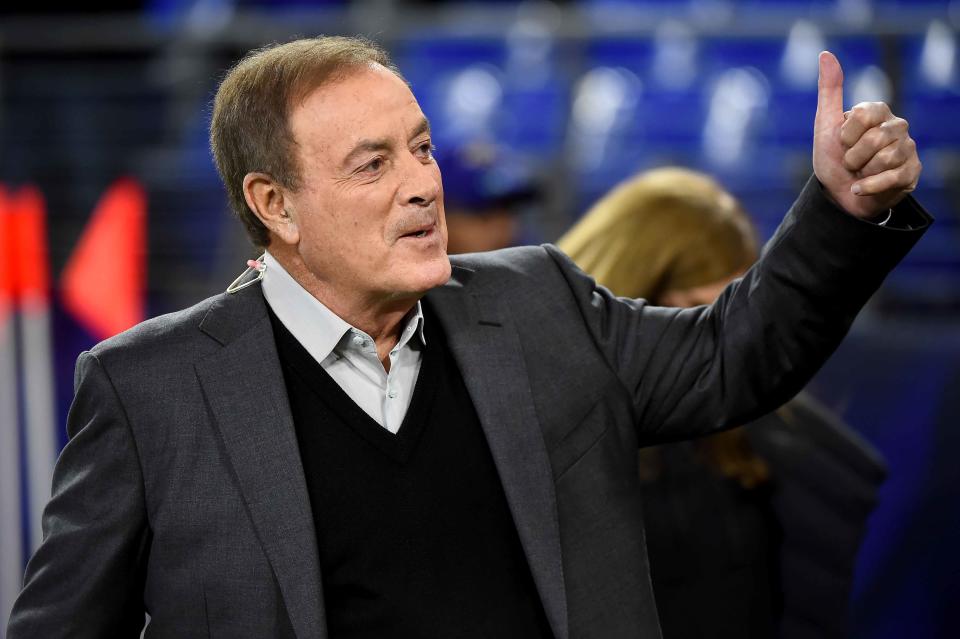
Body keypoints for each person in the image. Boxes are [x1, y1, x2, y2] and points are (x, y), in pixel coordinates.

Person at [7, 36, 929, 639]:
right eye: (374, 164)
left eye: (421, 147)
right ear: (273, 204)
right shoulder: (150, 389)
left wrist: (840, 211)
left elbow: (737, 355)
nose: (422, 184)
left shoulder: (538, 303)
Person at [558, 166, 888, 638]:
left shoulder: (762, 435)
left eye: (733, 312)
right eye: (696, 310)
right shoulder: (552, 424)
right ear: (631, 293)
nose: (717, 346)